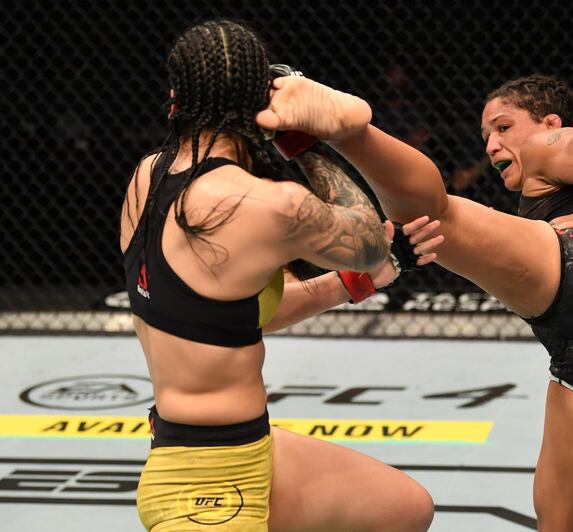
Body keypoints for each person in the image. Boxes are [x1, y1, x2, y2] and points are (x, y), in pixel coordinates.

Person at [258, 73, 573, 531]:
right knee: (561, 525)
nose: (492, 145)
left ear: (549, 122)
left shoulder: (549, 144)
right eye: (486, 135)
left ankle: (347, 127)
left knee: (432, 215)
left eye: (504, 127)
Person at [119, 19, 442, 531]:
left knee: (401, 507)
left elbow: (232, 321)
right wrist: (303, 141)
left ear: (175, 97)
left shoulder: (146, 177)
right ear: (261, 106)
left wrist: (356, 283)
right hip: (208, 488)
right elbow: (369, 240)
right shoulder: (267, 205)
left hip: (233, 446)